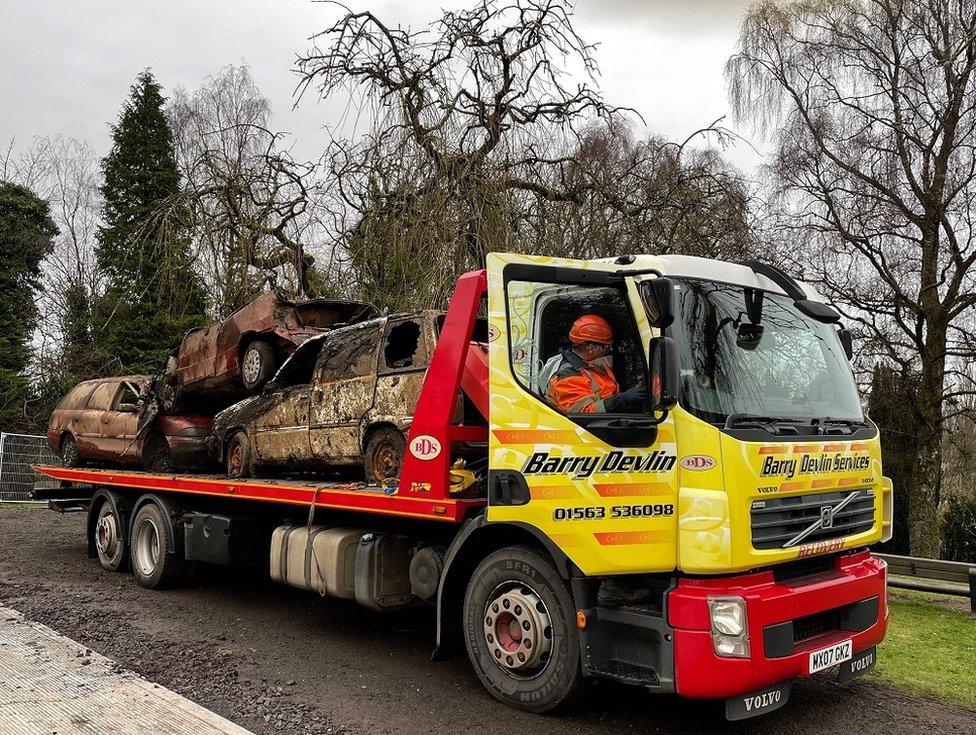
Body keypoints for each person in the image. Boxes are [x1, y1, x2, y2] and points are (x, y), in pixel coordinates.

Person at [541, 314, 645, 414]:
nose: (609, 350)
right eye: (607, 347)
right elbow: (584, 413)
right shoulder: (568, 377)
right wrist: (624, 399)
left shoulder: (595, 362)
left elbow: (610, 392)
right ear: (592, 348)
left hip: (608, 419)